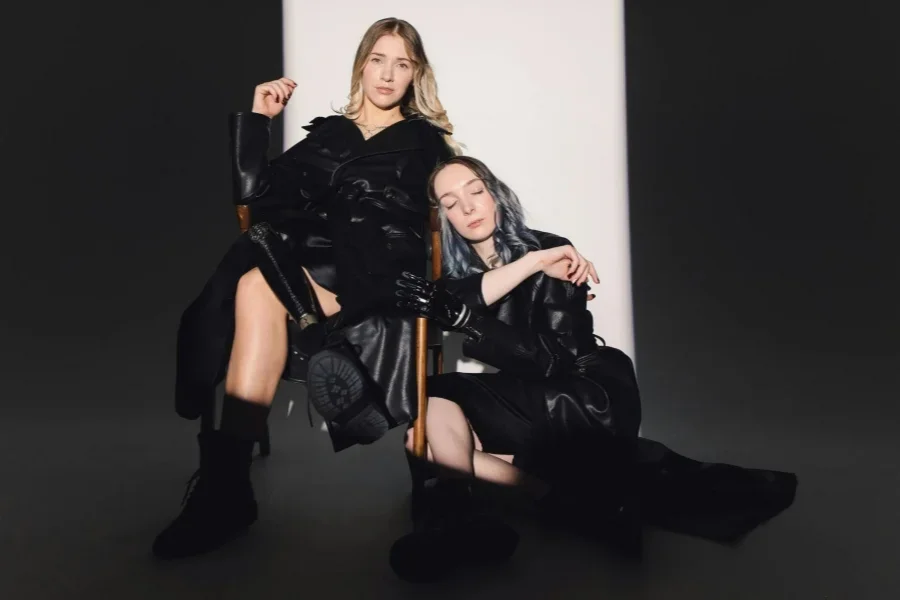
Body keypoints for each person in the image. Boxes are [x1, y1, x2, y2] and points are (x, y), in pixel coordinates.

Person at [388, 156, 798, 582]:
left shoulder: (552, 251)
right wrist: (488, 292)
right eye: (450, 202)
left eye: (475, 191)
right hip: (532, 393)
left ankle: (460, 513)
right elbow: (453, 304)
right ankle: (550, 507)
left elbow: (553, 360)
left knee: (437, 422)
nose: (468, 208)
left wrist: (516, 277)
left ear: (495, 193)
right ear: (443, 217)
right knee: (423, 431)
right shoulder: (460, 275)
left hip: (583, 392)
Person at [153, 18, 457, 560]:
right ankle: (227, 489)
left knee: (255, 274)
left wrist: (534, 252)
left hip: (378, 279)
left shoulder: (425, 143)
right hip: (310, 270)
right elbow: (253, 197)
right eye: (378, 60)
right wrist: (259, 119)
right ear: (362, 64)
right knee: (253, 282)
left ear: (416, 75)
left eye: (402, 64)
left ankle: (225, 488)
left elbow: (462, 211)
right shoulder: (329, 136)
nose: (388, 75)